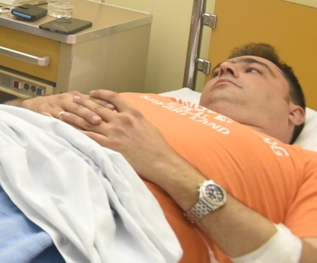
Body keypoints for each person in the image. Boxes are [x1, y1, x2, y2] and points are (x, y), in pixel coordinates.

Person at [17, 43, 317, 262]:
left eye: (252, 70)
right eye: (219, 70)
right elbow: (6, 112)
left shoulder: (304, 165)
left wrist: (163, 163)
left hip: (68, 227)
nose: (225, 68)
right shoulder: (148, 100)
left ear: (295, 113)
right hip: (2, 157)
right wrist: (28, 105)